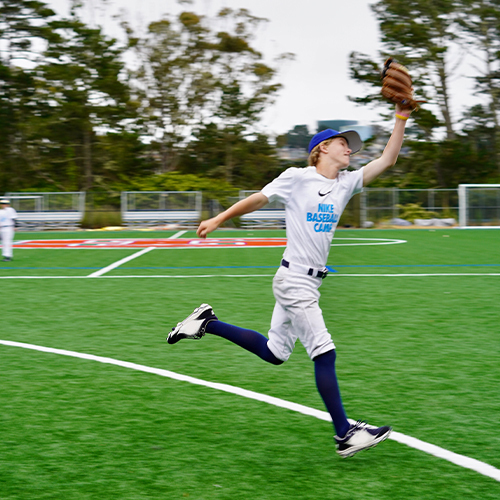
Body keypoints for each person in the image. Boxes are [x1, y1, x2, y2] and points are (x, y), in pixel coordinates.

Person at [167, 104, 413, 458]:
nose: (350, 149)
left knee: (275, 352)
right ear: (322, 148)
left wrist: (401, 118)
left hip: (308, 283)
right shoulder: (297, 177)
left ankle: (207, 323)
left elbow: (387, 160)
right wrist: (219, 218)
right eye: (343, 143)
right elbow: (259, 198)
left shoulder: (346, 183)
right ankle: (345, 434)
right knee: (324, 352)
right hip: (294, 279)